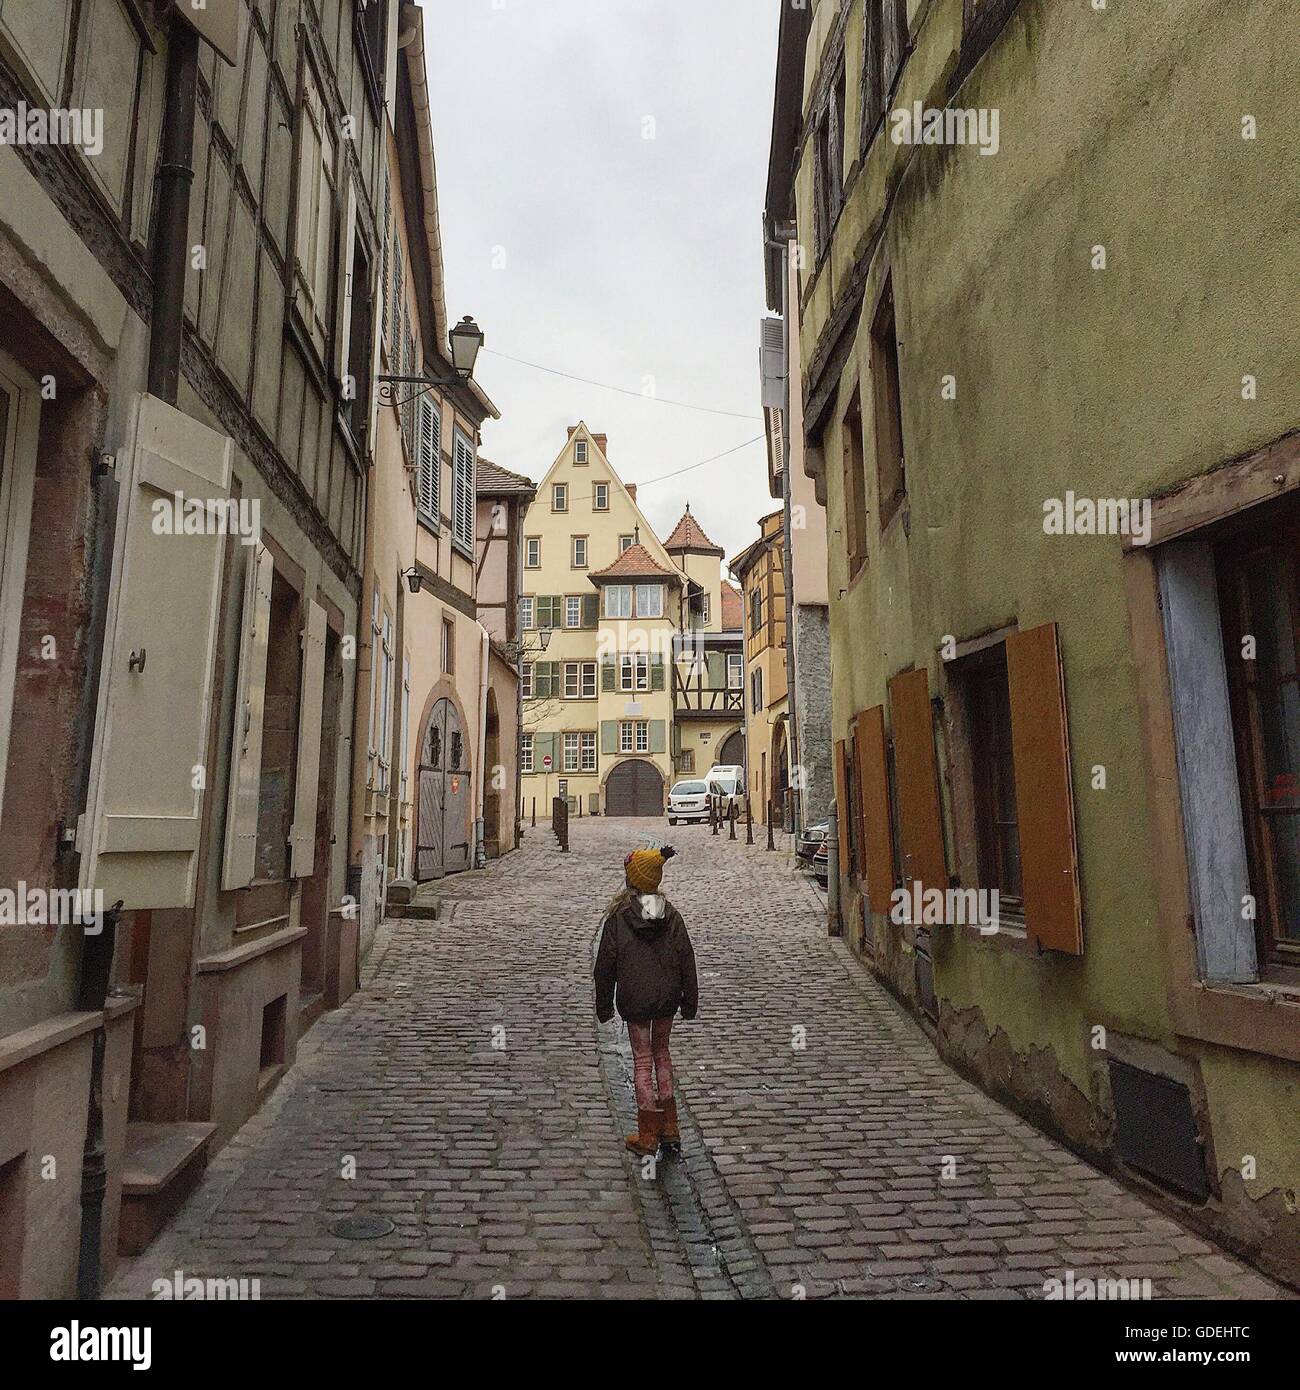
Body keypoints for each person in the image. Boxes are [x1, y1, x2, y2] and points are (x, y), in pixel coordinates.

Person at [594, 845, 698, 1156]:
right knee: (662, 1055)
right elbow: (686, 958)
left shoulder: (619, 918)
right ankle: (671, 1129)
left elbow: (605, 965)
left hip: (636, 1000)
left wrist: (604, 1005)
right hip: (666, 999)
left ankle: (648, 1134)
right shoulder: (671, 915)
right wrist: (689, 1001)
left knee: (642, 1062)